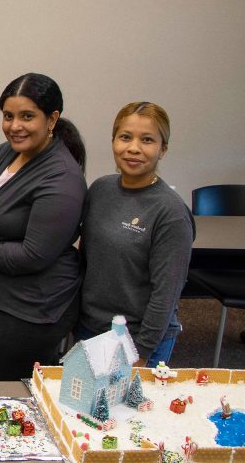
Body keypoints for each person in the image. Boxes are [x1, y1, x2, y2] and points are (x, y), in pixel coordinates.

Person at [0, 73, 87, 381]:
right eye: (8, 116)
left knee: (11, 395)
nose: (15, 126)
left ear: (52, 118)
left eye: (27, 116)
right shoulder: (3, 153)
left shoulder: (62, 178)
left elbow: (34, 254)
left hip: (31, 303)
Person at [78, 102, 194, 367]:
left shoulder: (171, 212)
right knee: (82, 407)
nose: (133, 148)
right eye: (125, 137)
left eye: (147, 140)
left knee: (127, 409)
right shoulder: (100, 190)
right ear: (113, 141)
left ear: (163, 149)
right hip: (91, 329)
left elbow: (166, 293)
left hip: (137, 340)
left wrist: (141, 352)